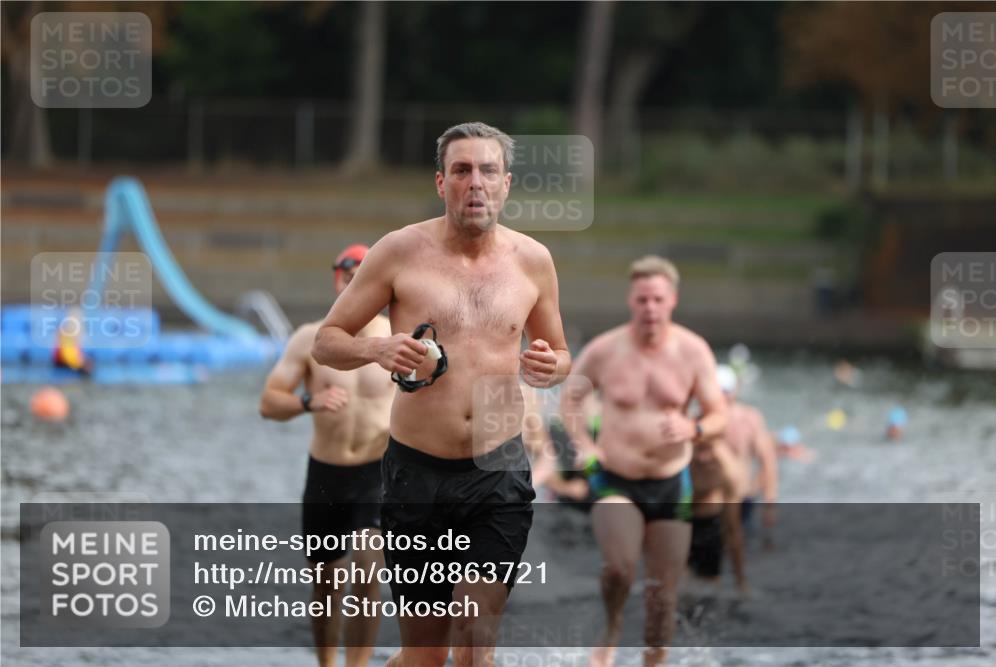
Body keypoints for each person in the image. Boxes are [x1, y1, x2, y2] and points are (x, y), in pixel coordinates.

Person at [311, 122, 571, 667]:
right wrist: (379, 351)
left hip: (497, 471)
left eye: (488, 171)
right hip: (415, 473)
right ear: (441, 182)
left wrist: (551, 365)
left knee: (475, 640)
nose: (475, 183)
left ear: (506, 184)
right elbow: (327, 343)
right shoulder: (399, 252)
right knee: (425, 656)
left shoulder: (533, 261)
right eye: (462, 170)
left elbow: (560, 356)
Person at [561, 256, 728, 667]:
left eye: (657, 299)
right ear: (630, 301)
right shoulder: (606, 349)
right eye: (642, 300)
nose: (649, 308)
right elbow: (570, 398)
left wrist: (695, 429)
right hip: (617, 478)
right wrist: (584, 442)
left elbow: (718, 414)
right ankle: (613, 625)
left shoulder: (693, 351)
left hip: (671, 481)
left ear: (672, 300)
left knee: (662, 595)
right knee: (619, 568)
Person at [259, 244, 394, 667]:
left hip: (377, 472)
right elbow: (268, 403)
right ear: (336, 279)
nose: (352, 282)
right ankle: (327, 664)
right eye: (346, 274)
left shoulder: (397, 338)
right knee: (326, 584)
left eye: (362, 275)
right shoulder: (309, 338)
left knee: (369, 571)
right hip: (326, 475)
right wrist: (307, 402)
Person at [687, 368, 748, 593]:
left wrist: (741, 582)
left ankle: (739, 580)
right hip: (681, 518)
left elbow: (733, 530)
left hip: (709, 518)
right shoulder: (687, 428)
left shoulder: (740, 425)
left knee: (705, 587)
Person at [714, 365, 778, 537]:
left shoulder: (749, 419)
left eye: (725, 391)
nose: (722, 396)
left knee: (743, 549)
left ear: (735, 390)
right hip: (711, 502)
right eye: (717, 391)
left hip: (743, 499)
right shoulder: (701, 421)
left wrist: (769, 504)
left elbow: (768, 461)